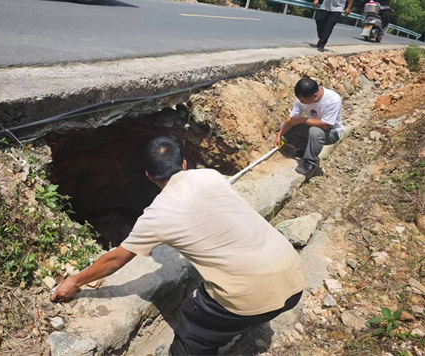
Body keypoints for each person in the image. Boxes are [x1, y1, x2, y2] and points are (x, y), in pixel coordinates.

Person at [51, 136, 306, 355]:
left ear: (148, 176)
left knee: (193, 319)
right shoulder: (211, 176)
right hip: (294, 278)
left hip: (249, 298)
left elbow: (115, 260)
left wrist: (75, 281)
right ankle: (234, 327)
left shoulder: (156, 216)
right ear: (184, 163)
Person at [275, 77, 344, 175]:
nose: (301, 102)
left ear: (314, 95)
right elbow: (291, 119)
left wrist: (303, 120)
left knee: (314, 131)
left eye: (303, 101)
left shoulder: (333, 100)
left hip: (331, 132)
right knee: (285, 126)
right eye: (300, 100)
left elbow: (325, 125)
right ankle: (304, 150)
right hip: (314, 127)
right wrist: (279, 135)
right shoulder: (302, 97)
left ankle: (310, 163)